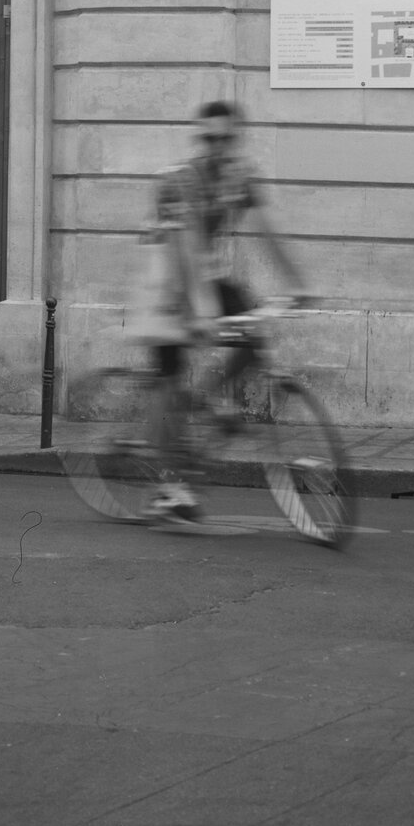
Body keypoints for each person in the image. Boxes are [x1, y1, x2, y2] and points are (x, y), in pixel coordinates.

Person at [139, 99, 312, 521]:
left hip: (207, 274)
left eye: (225, 138)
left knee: (254, 342)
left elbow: (268, 232)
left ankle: (210, 397)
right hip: (165, 279)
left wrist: (298, 284)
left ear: (237, 139)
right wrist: (199, 314)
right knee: (169, 383)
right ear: (201, 140)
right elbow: (184, 248)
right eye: (208, 138)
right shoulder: (178, 182)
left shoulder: (240, 176)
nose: (216, 146)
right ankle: (169, 486)